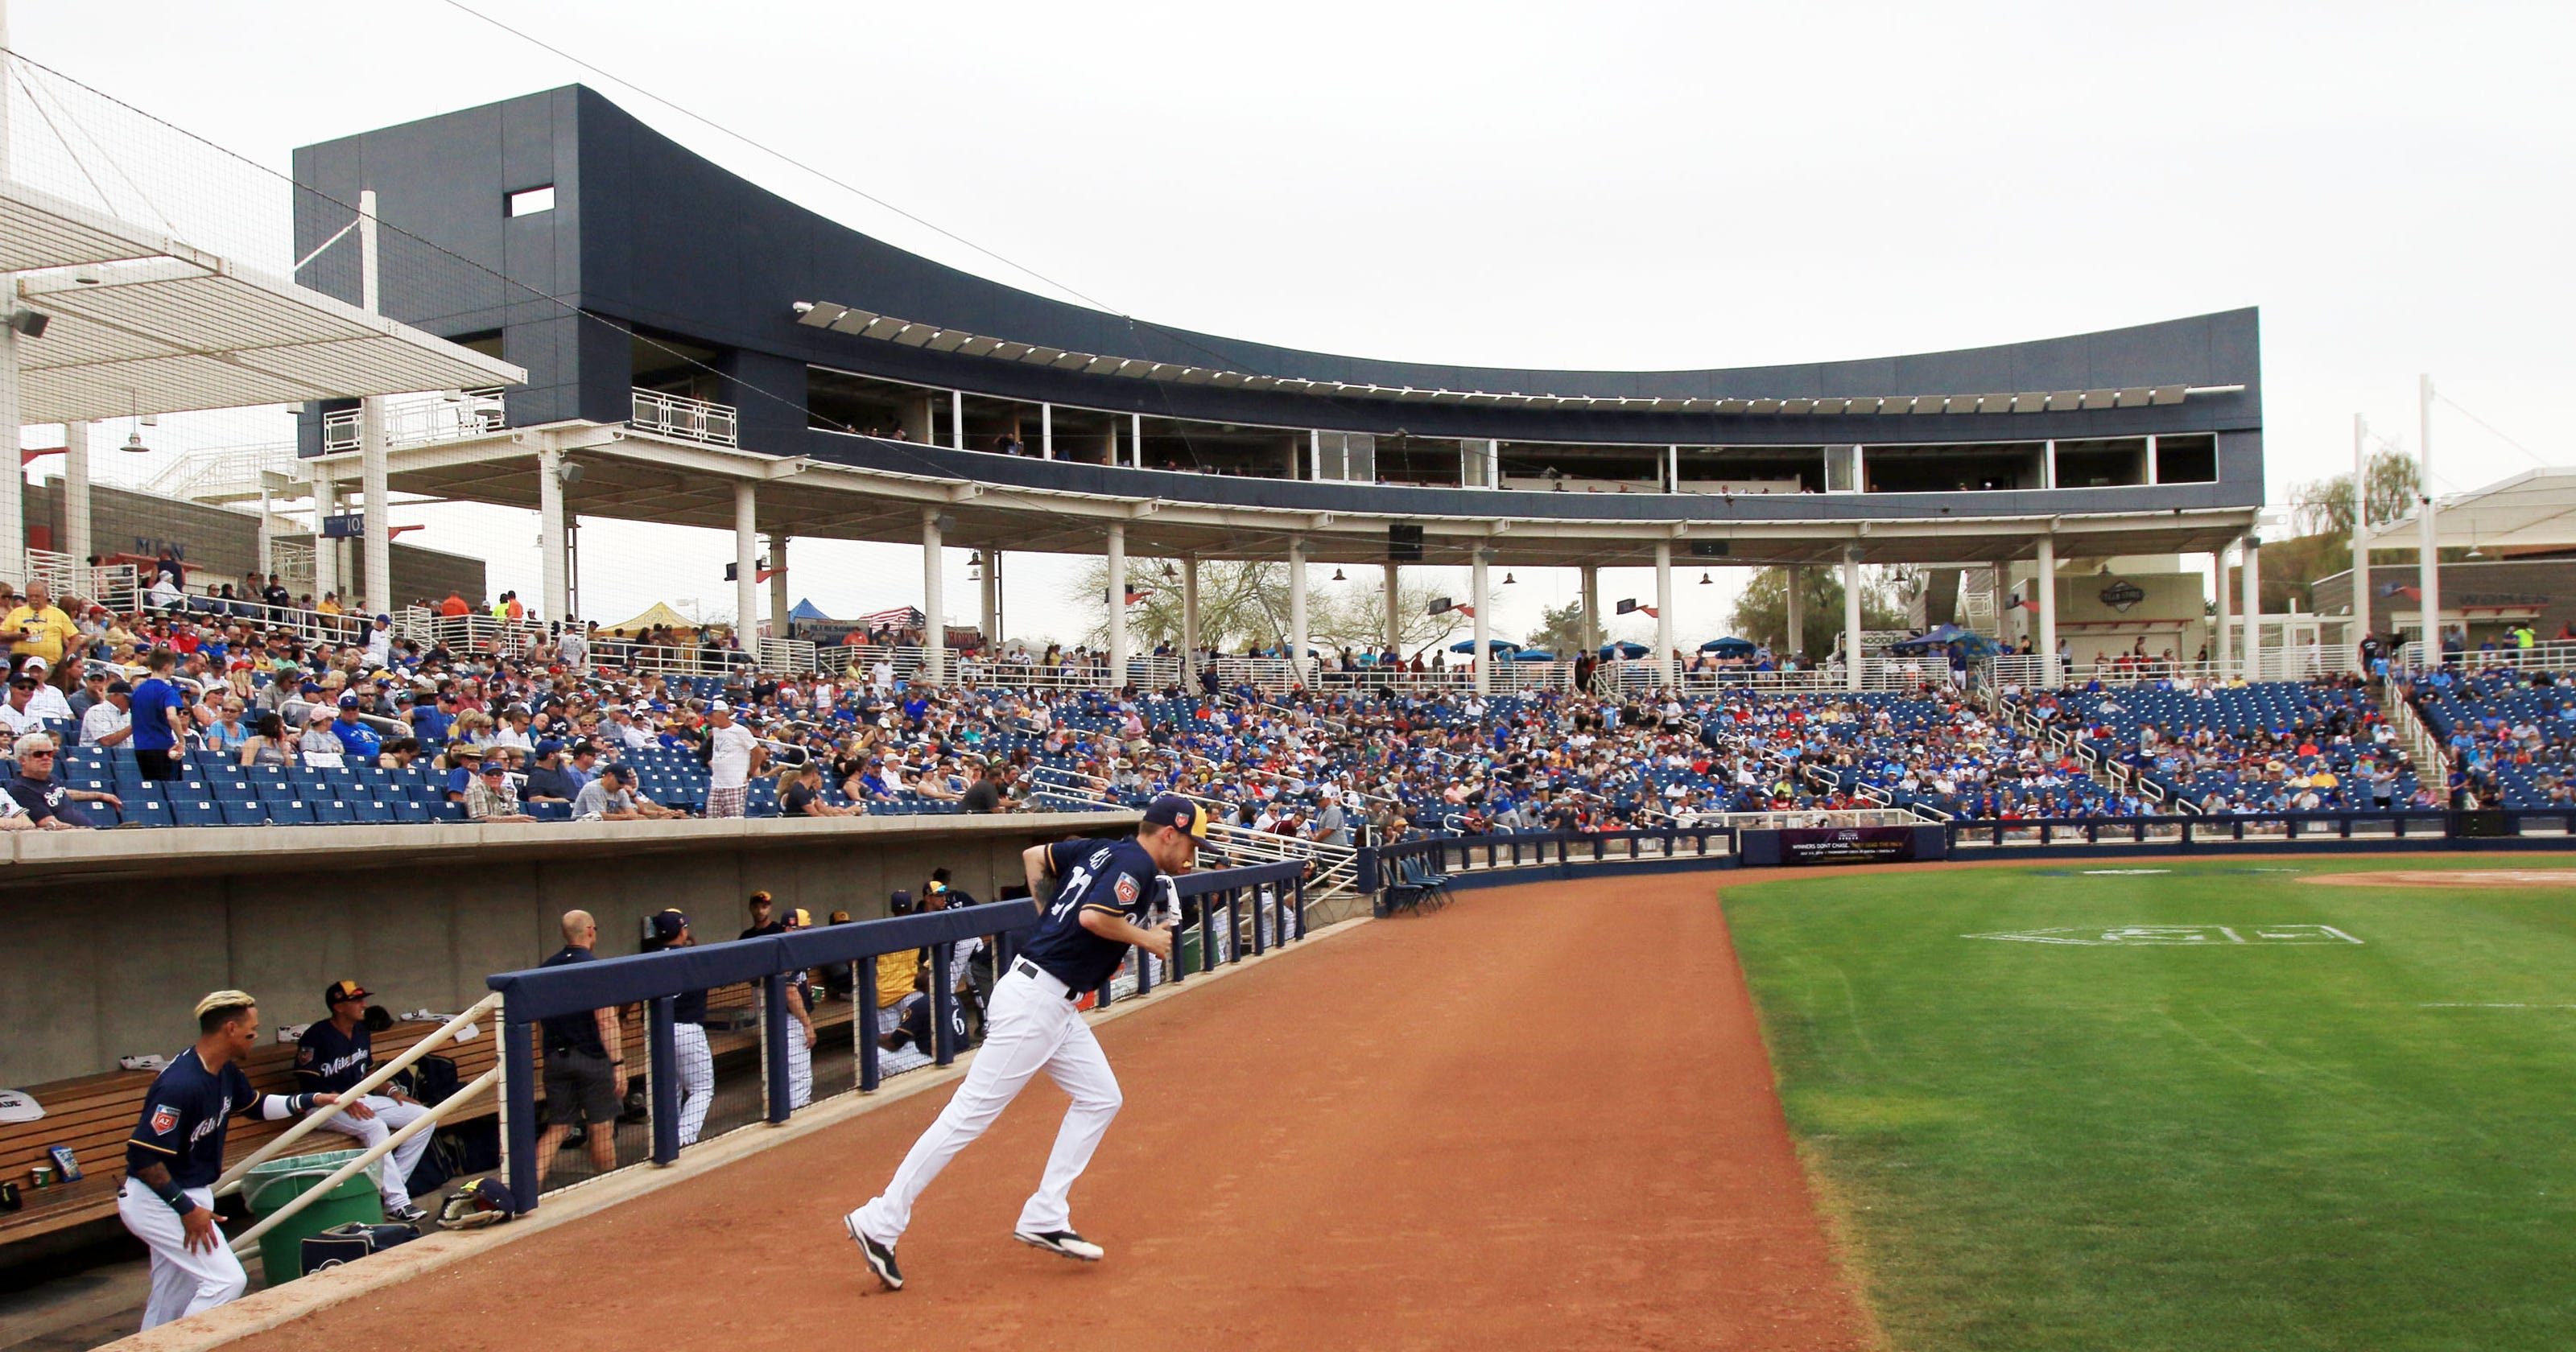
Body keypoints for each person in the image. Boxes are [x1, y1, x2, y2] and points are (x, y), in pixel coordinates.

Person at [843, 793, 1207, 1289]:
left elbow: (1034, 857)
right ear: (1169, 832)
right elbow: (1093, 918)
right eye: (1190, 842)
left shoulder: (1103, 848)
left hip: (1049, 999)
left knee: (1101, 1097)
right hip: (1036, 1001)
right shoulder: (1136, 864)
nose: (1190, 854)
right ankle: (880, 1218)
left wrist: (1047, 920)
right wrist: (1147, 939)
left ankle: (1045, 1213)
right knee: (968, 1115)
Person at [120, 991, 342, 1331]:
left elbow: (253, 1105)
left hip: (190, 1193)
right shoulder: (181, 1083)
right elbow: (142, 1156)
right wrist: (186, 1210)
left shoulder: (225, 1071)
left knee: (172, 1293)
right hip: (159, 1200)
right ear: (230, 1029)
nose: (256, 1036)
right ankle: (186, 1343)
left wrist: (309, 1099)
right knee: (226, 1281)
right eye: (251, 1031)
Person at [295, 980, 434, 1222]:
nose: (363, 1004)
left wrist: (392, 1092)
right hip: (322, 1107)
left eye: (363, 999)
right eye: (356, 1000)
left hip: (359, 1099)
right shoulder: (316, 1036)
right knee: (375, 1127)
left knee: (423, 1117)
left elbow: (369, 1072)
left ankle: (389, 1188)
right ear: (339, 1006)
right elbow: (307, 1083)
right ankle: (398, 1203)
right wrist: (344, 1101)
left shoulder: (361, 1031)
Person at [533, 911, 624, 1183]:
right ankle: (609, 1189)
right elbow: (606, 1020)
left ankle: (526, 1192)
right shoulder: (596, 969)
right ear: (590, 931)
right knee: (601, 1127)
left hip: (556, 1058)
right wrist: (618, 1065)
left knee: (558, 1127)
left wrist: (546, 1057)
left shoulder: (544, 970)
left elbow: (539, 1023)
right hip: (592, 1060)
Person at [640, 909, 715, 1147]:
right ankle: (683, 1138)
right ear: (682, 931)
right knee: (702, 1087)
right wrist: (693, 945)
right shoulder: (693, 958)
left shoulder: (646, 959)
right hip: (687, 1030)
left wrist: (623, 1016)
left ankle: (665, 1141)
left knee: (668, 1088)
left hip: (656, 1032)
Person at [7, 733, 117, 827]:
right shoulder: (21, 789)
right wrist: (89, 832)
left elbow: (63, 793)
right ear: (22, 760)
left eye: (49, 753)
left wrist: (99, 795)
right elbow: (50, 824)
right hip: (69, 841)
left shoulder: (52, 779)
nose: (46, 758)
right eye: (39, 754)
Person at [129, 649, 189, 782]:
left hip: (141, 748)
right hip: (162, 747)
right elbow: (172, 716)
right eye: (173, 666)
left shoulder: (138, 690)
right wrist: (181, 740)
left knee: (152, 791)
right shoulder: (167, 691)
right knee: (169, 791)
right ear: (166, 666)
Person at [6, 579, 78, 686]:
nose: (34, 599)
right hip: (23, 667)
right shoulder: (17, 613)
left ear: (46, 596)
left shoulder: (58, 614)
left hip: (51, 667)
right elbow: (2, 634)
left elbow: (75, 637)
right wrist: (16, 636)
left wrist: (66, 657)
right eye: (30, 596)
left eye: (37, 596)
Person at [701, 701, 762, 818]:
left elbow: (758, 753)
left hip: (735, 784)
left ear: (722, 714)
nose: (709, 718)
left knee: (735, 822)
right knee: (711, 820)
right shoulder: (716, 730)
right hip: (717, 783)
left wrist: (750, 773)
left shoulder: (740, 731)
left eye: (711, 715)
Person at [466, 760, 538, 823]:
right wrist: (513, 819)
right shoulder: (477, 789)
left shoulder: (504, 789)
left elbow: (514, 813)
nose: (495, 777)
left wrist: (520, 818)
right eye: (490, 773)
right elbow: (480, 819)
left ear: (503, 777)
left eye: (498, 774)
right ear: (482, 777)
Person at [80, 679, 134, 748]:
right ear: (115, 695)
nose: (131, 702)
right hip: (96, 757)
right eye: (128, 699)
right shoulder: (97, 711)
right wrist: (135, 726)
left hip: (124, 757)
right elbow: (106, 741)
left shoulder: (128, 715)